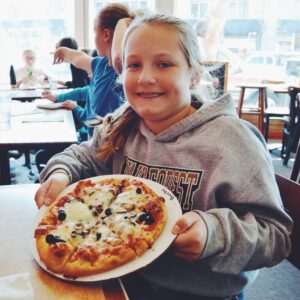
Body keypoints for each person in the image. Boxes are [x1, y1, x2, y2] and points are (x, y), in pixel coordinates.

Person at [34, 14, 292, 300]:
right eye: (134, 65)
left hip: (202, 293)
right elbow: (82, 156)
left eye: (164, 64)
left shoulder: (232, 141)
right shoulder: (122, 123)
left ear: (194, 74)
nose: (146, 77)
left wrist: (213, 233)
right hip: (118, 279)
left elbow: (276, 236)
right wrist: (61, 172)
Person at [35, 3, 132, 173]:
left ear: (106, 34)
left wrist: (124, 24)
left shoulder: (124, 70)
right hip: (93, 145)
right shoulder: (101, 65)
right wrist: (64, 50)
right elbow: (80, 57)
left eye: (95, 32)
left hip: (110, 151)